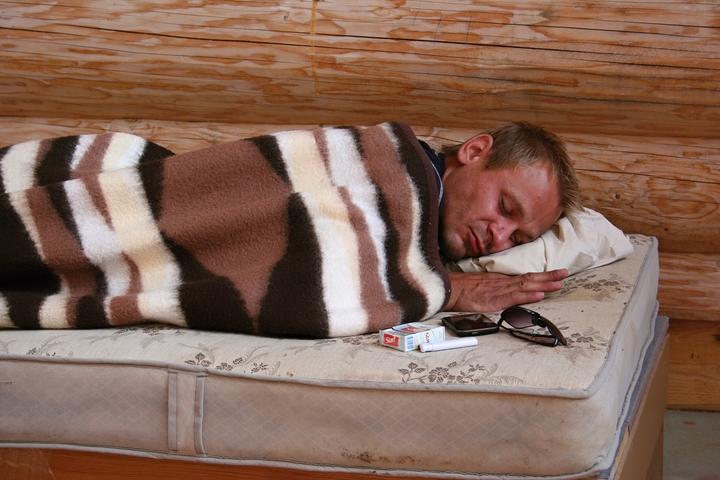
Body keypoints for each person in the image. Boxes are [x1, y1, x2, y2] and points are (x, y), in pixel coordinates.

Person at [423, 122, 581, 313]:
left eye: (516, 239)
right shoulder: (408, 170)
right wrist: (450, 290)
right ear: (474, 151)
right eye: (504, 207)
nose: (498, 237)